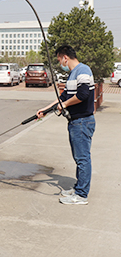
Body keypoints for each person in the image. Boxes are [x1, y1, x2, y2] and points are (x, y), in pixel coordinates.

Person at [37, 45, 95, 205]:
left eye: (59, 60)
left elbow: (83, 94)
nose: (60, 63)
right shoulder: (73, 74)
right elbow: (63, 97)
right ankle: (78, 188)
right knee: (79, 158)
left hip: (82, 121)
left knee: (83, 158)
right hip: (76, 122)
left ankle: (82, 195)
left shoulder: (83, 70)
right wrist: (46, 109)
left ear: (65, 57)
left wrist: (65, 105)